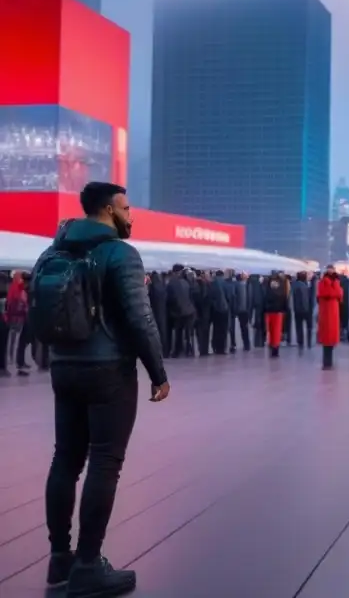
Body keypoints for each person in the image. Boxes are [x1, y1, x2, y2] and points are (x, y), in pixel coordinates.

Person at [34, 182, 169, 597]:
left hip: (63, 366)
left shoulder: (53, 250)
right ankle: (89, 565)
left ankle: (61, 559)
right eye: (127, 208)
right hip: (108, 369)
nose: (131, 216)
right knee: (105, 461)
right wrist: (157, 372)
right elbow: (139, 318)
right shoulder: (120, 253)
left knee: (65, 460)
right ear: (110, 210)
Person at [316, 267, 344, 369]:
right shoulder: (325, 282)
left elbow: (338, 294)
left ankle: (328, 362)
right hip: (328, 313)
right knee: (327, 339)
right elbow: (335, 293)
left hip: (331, 313)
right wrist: (335, 290)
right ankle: (327, 363)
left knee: (330, 339)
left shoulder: (333, 282)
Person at [264, 271, 289, 357]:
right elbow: (284, 296)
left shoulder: (267, 283)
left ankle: (272, 346)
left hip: (269, 310)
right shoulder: (282, 284)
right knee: (276, 330)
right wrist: (285, 308)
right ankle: (275, 348)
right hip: (278, 310)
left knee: (271, 330)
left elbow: (265, 295)